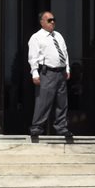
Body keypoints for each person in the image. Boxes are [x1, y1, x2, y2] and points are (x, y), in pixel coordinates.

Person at [27, 11, 74, 144]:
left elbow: (65, 53)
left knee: (62, 102)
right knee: (44, 100)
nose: (52, 22)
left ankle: (61, 127)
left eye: (54, 19)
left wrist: (67, 69)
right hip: (47, 72)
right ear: (42, 22)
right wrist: (35, 73)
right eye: (49, 20)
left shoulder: (58, 35)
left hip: (60, 72)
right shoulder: (37, 37)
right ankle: (37, 127)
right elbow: (33, 57)